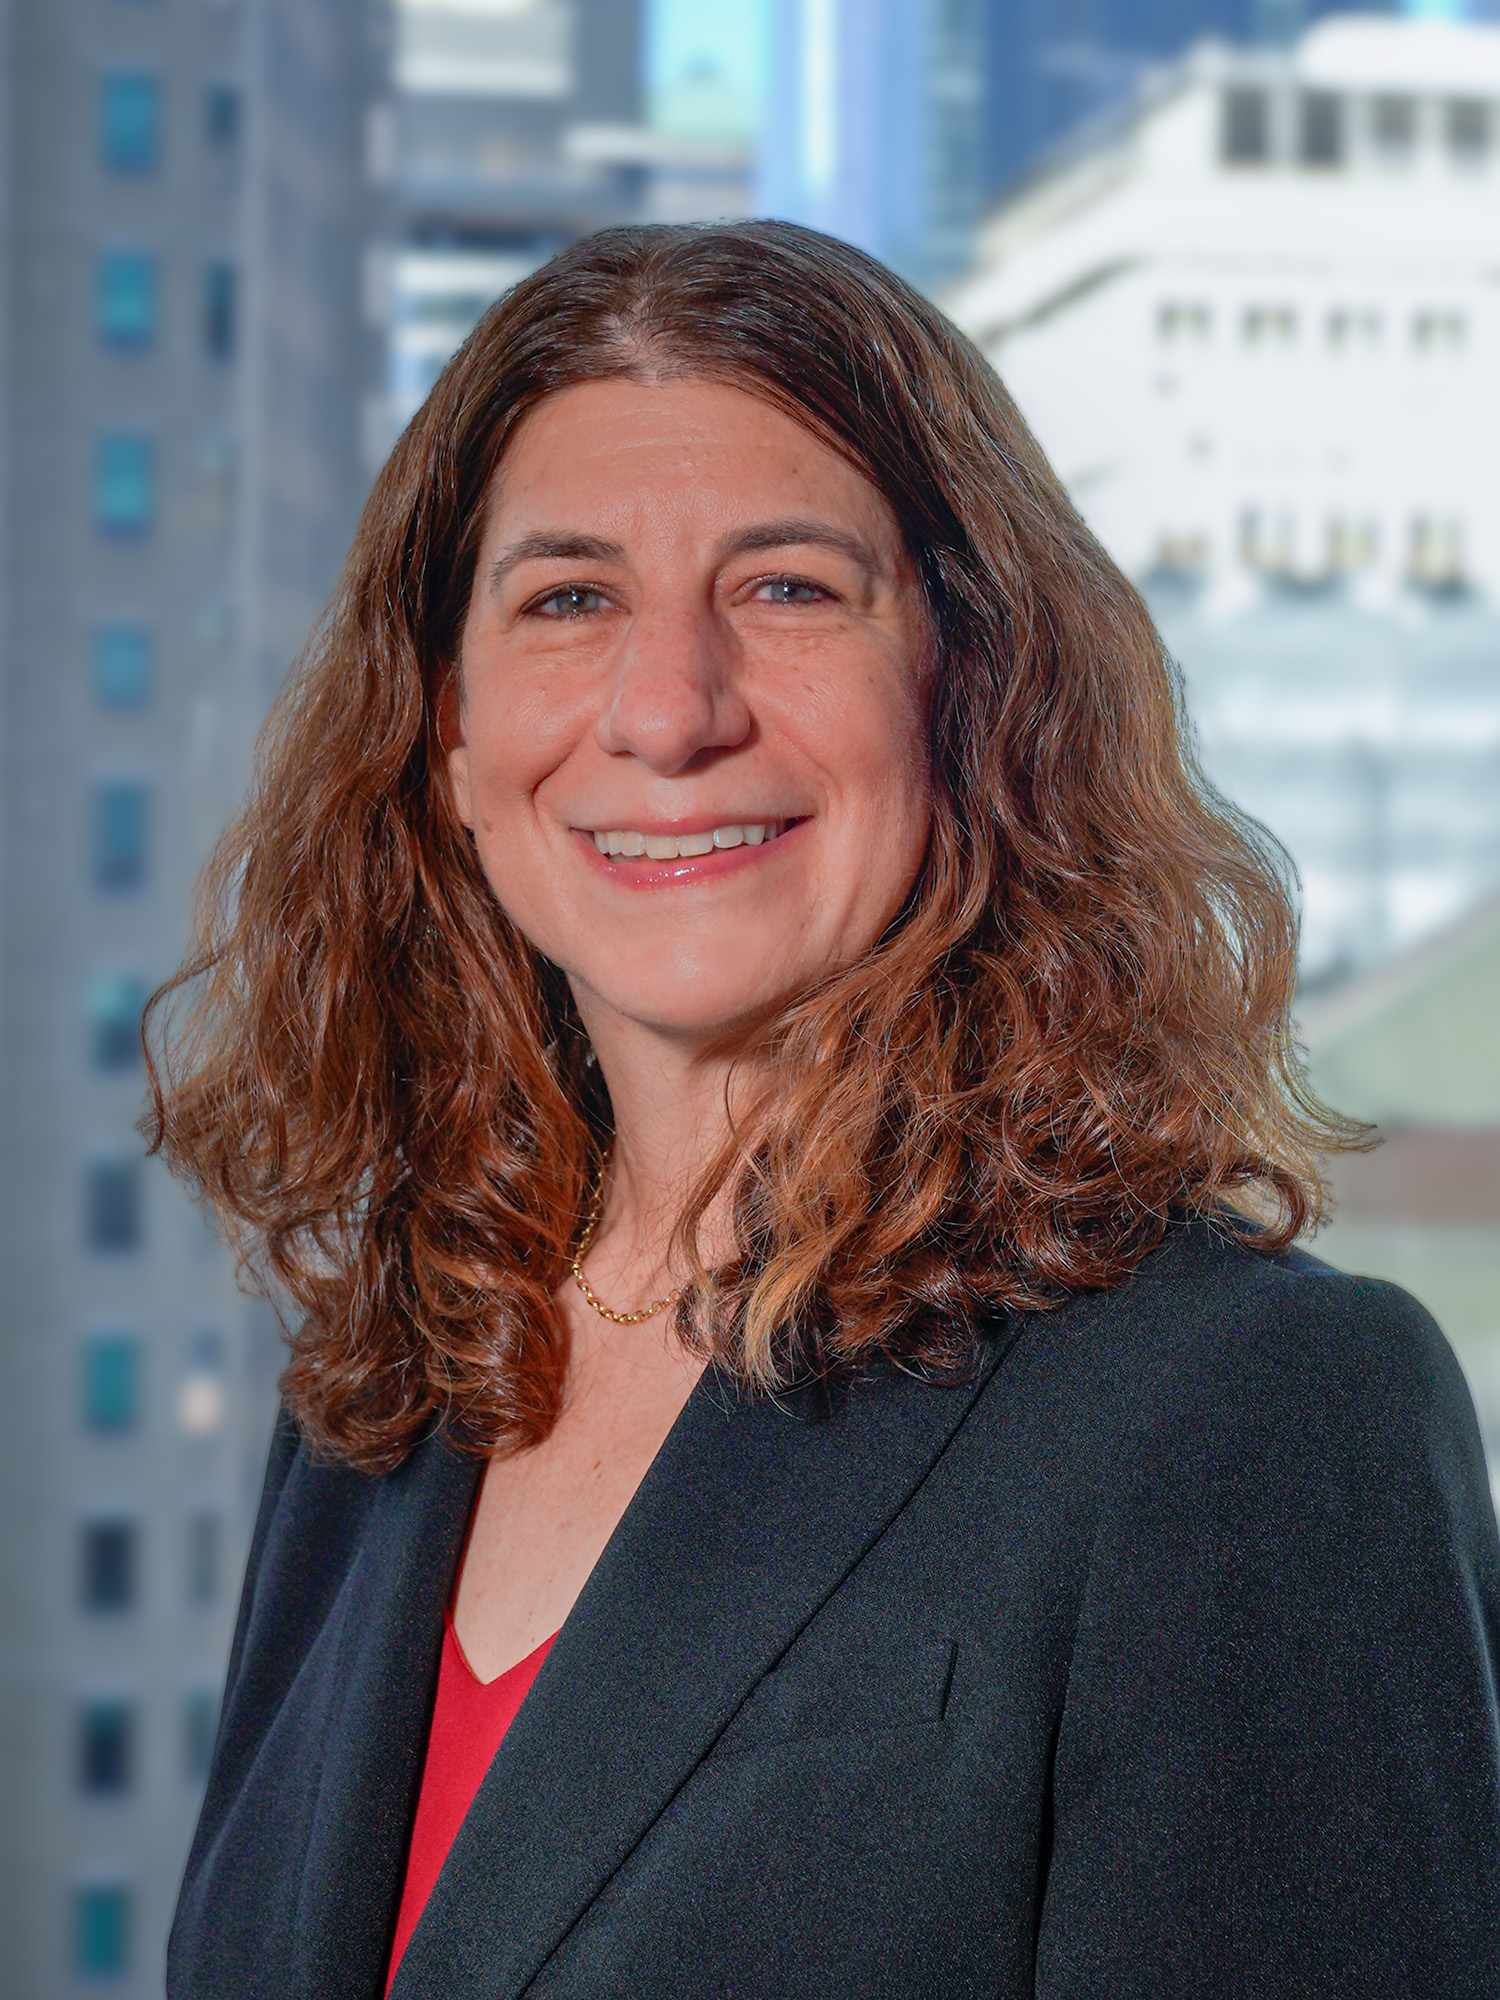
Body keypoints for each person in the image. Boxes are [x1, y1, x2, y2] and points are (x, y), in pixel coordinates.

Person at [151, 222, 1500, 2000]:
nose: (668, 708)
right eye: (568, 598)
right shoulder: (384, 1402)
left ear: (974, 689)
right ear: (451, 744)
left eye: (789, 587)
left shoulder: (1250, 1414)